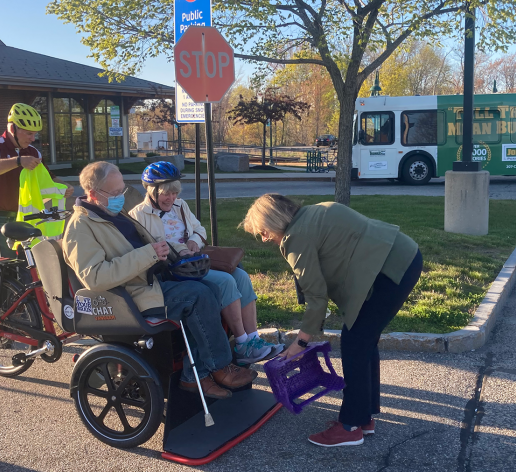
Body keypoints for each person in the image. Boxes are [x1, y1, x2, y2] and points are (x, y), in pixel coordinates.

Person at [241, 194, 423, 447]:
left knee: (356, 344)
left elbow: (317, 297)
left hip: (390, 272)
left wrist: (299, 343)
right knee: (363, 342)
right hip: (404, 256)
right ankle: (363, 417)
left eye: (263, 231)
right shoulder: (317, 210)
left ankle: (350, 427)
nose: (264, 239)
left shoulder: (296, 238)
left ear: (274, 220)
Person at [63, 161, 256, 399]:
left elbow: (151, 242)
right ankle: (217, 367)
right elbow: (95, 277)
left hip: (153, 282)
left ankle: (194, 376)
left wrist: (178, 249)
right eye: (114, 193)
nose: (120, 197)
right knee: (200, 296)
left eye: (121, 191)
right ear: (92, 194)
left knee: (211, 288)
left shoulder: (113, 214)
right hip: (131, 296)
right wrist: (150, 254)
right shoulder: (80, 227)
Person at [130, 162, 284, 364]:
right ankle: (242, 344)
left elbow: (199, 229)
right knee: (226, 281)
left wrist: (194, 241)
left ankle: (254, 339)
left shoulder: (180, 206)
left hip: (194, 263)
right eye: (167, 194)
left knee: (242, 277)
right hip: (173, 270)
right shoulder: (138, 215)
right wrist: (180, 250)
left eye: (175, 192)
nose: (172, 198)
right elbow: (149, 249)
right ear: (151, 192)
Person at [0, 103, 74, 257]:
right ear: (12, 129)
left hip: (30, 214)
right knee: (6, 260)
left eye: (35, 134)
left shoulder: (33, 152)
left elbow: (50, 177)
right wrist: (18, 161)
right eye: (29, 134)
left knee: (29, 261)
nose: (33, 138)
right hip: (2, 214)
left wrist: (65, 186)